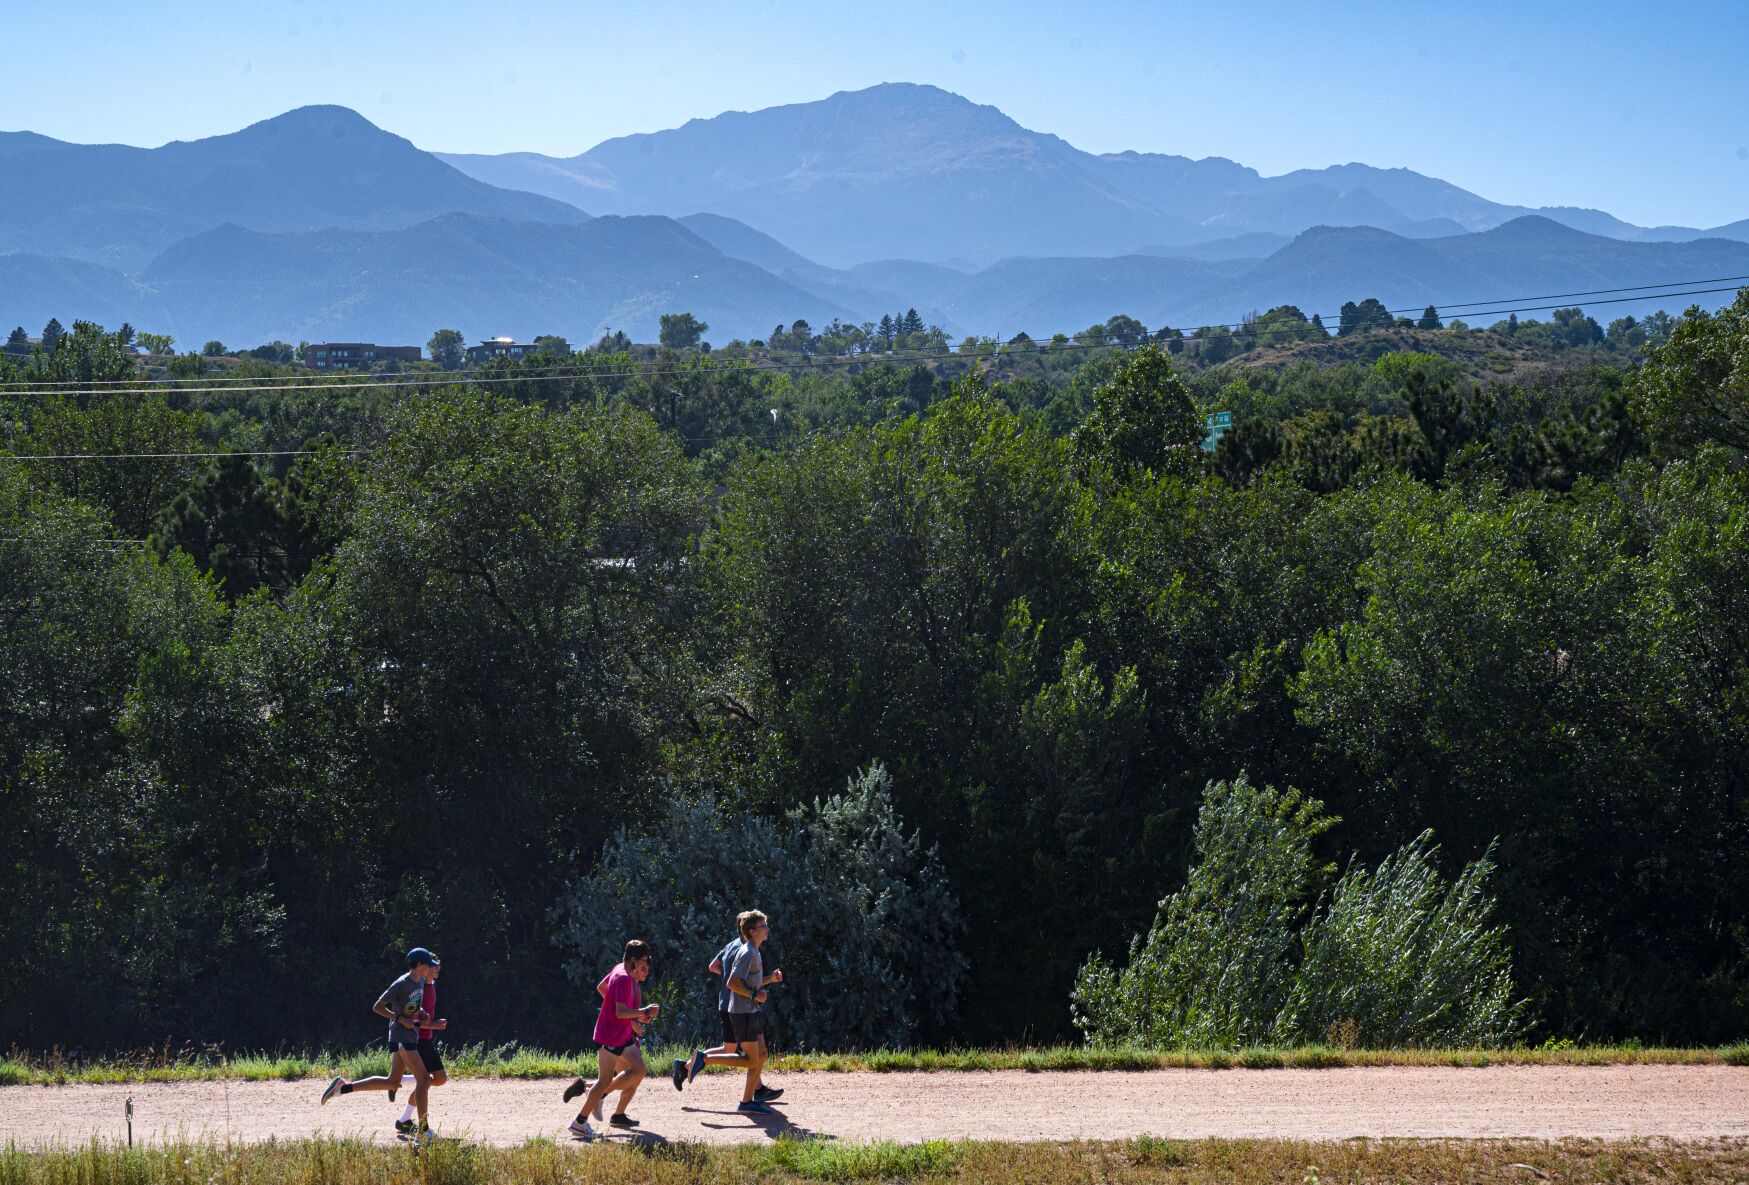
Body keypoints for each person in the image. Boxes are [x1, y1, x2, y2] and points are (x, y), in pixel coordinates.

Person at [320, 948, 443, 1139]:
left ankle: (343, 1087)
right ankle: (424, 1130)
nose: (432, 968)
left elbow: (412, 1004)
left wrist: (421, 1012)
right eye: (428, 964)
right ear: (419, 965)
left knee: (392, 1081)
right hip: (402, 1035)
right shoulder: (401, 983)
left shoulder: (419, 981)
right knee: (424, 1079)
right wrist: (400, 1019)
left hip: (408, 1035)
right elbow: (377, 1006)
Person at [681, 911, 781, 1114]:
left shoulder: (755, 951)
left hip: (749, 1010)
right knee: (750, 1059)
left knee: (761, 1055)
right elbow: (732, 982)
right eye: (763, 926)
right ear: (752, 932)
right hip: (742, 1011)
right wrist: (754, 995)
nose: (767, 928)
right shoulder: (747, 953)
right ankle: (705, 1059)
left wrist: (769, 980)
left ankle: (750, 1099)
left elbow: (748, 981)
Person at [564, 940, 659, 1141]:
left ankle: (597, 1096)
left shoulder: (619, 968)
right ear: (633, 960)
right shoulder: (624, 979)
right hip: (610, 1036)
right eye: (643, 961)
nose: (646, 965)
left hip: (620, 1034)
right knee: (605, 1080)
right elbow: (620, 1011)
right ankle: (580, 1122)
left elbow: (602, 988)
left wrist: (632, 1019)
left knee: (639, 1070)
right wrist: (643, 1012)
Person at [391, 960, 449, 1134]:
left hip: (426, 1040)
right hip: (418, 1041)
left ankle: (399, 1082)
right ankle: (408, 1121)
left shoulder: (430, 985)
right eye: (435, 965)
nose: (439, 967)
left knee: (438, 1079)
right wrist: (434, 1025)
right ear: (425, 968)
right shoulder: (419, 988)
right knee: (427, 1081)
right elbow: (413, 1021)